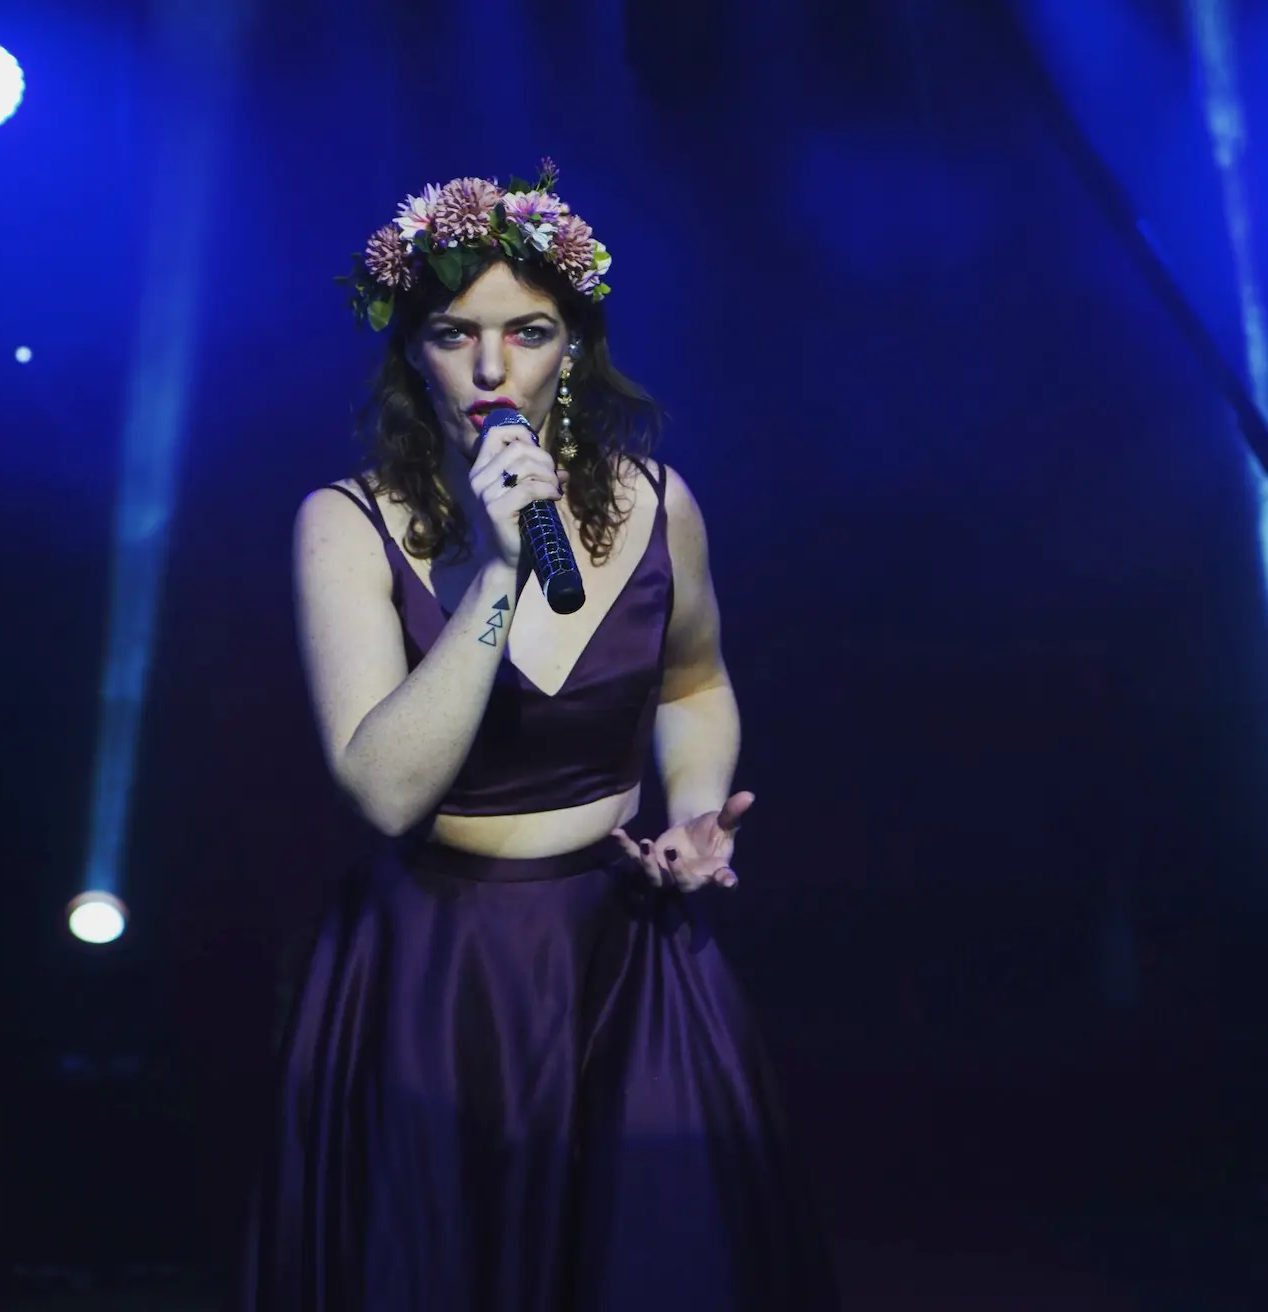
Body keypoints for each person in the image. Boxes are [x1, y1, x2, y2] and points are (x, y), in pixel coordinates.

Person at [239, 162, 839, 1310]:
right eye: (455, 334)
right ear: (411, 350)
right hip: (437, 967)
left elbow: (694, 682)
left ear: (573, 347)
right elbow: (383, 789)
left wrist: (695, 809)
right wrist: (498, 571)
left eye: (528, 332)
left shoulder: (658, 503)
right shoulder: (346, 524)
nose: (492, 368)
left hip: (623, 948)